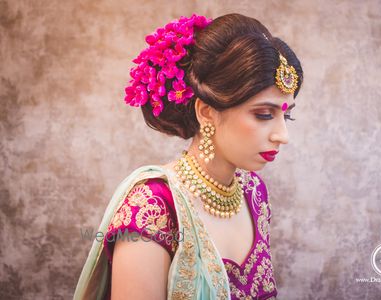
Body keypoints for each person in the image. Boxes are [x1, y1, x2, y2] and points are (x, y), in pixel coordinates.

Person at [73, 12, 303, 300]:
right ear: (207, 112)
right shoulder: (153, 208)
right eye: (264, 114)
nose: (282, 135)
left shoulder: (253, 192)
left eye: (287, 116)